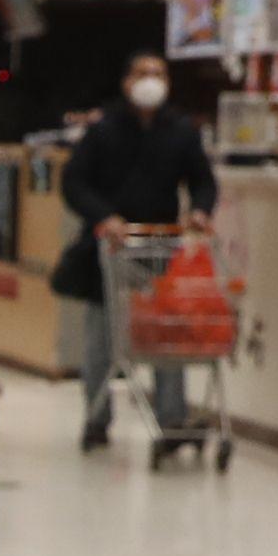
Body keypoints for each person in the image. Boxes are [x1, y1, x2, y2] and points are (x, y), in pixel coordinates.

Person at [49, 54, 218, 452]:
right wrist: (104, 217)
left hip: (161, 245)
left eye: (158, 74)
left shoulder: (181, 132)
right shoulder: (103, 130)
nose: (151, 81)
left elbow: (203, 181)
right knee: (101, 339)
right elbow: (74, 182)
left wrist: (199, 211)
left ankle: (172, 419)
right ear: (126, 82)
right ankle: (96, 417)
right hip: (109, 249)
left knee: (166, 335)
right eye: (142, 73)